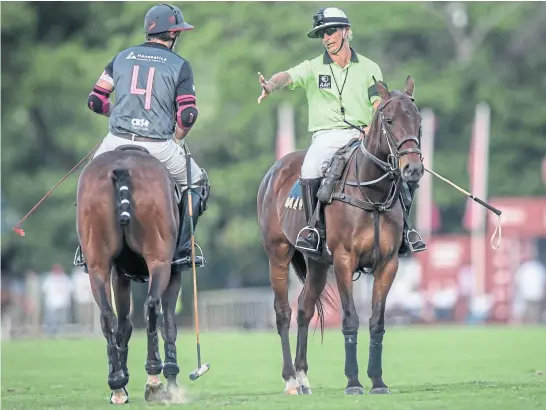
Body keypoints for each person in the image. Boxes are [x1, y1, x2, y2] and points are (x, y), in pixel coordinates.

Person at [257, 7, 426, 256]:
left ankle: (405, 230)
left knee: (397, 168)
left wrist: (372, 126)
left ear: (346, 32)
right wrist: (271, 84)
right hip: (326, 136)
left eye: (331, 31)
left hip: (362, 136)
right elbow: (288, 76)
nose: (326, 37)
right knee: (311, 166)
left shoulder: (370, 68)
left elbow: (378, 102)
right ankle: (313, 229)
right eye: (322, 33)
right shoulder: (313, 67)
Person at [74, 4, 209, 274]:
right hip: (157, 145)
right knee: (198, 183)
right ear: (172, 34)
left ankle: (85, 248)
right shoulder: (180, 65)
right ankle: (183, 249)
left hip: (116, 140)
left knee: (88, 182)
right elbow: (188, 114)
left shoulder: (122, 56)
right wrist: (179, 139)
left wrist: (117, 115)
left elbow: (95, 100)